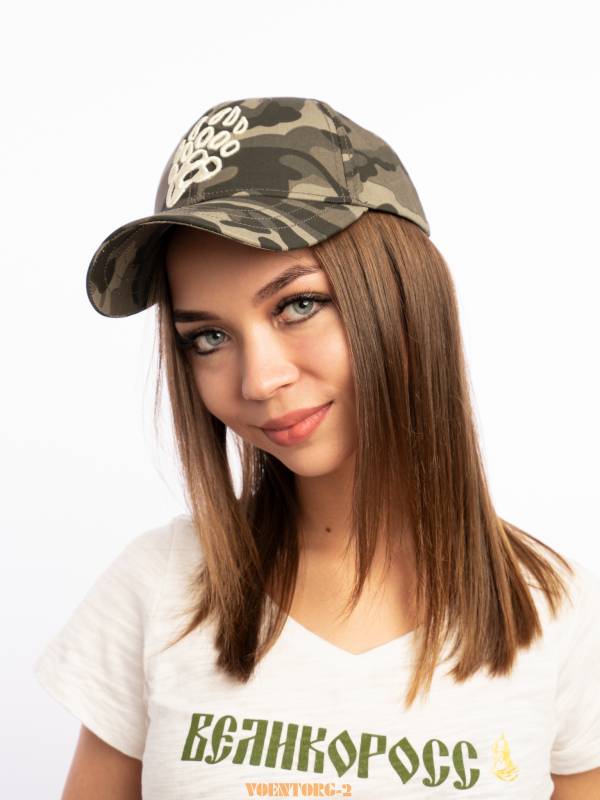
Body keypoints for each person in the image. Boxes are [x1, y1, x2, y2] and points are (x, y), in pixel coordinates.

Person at [34, 97, 600, 799]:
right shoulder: (159, 587)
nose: (259, 379)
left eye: (298, 304)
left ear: (403, 296)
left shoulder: (556, 614)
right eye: (208, 337)